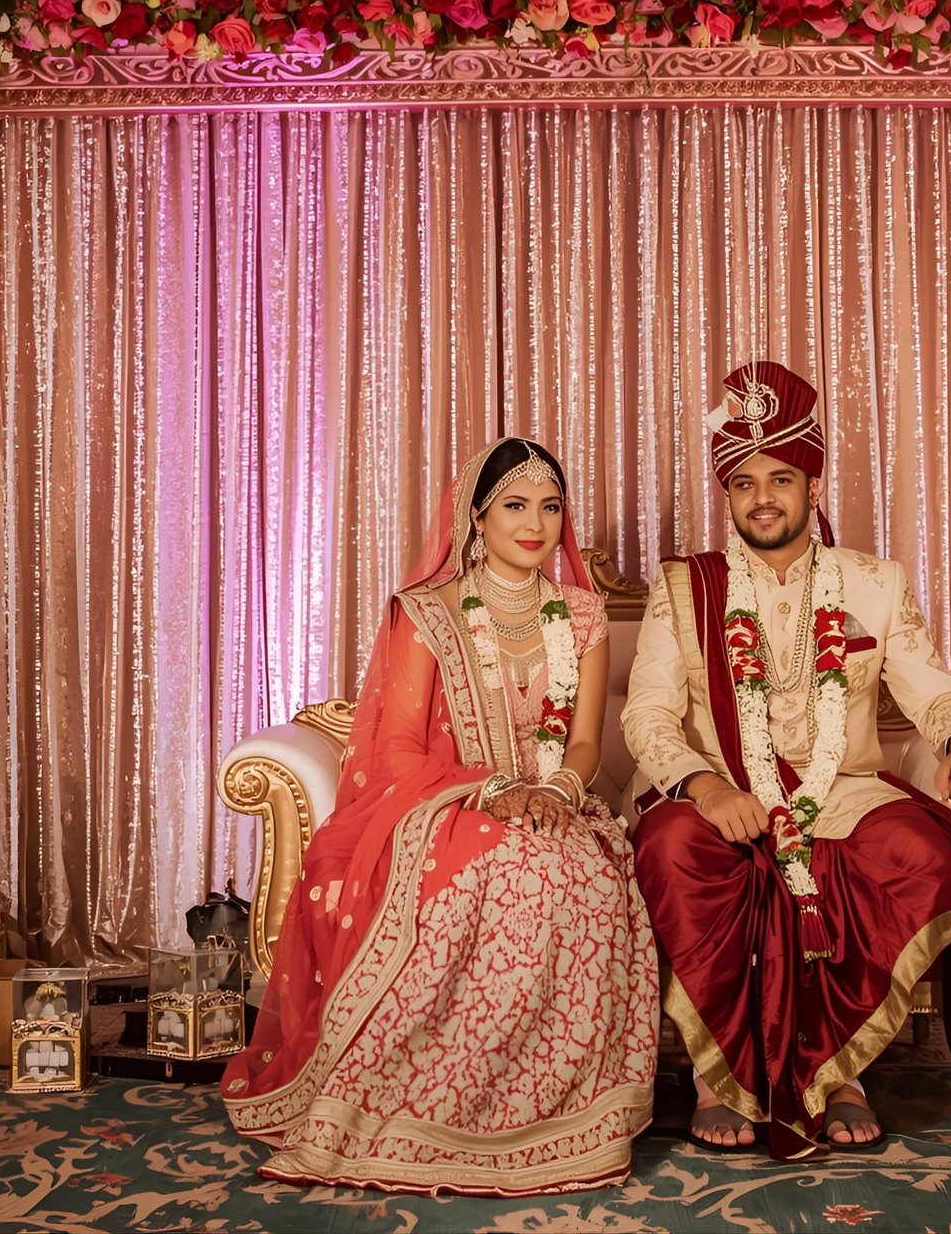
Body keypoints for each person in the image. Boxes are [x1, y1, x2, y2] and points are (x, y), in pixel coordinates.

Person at [223, 438, 659, 1194]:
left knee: (583, 875)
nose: (535, 524)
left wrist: (557, 791)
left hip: (555, 797)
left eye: (550, 507)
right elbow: (395, 748)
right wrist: (490, 792)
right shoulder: (429, 612)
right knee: (507, 870)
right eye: (515, 506)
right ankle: (430, 1105)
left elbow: (585, 740)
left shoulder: (583, 615)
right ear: (477, 517)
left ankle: (557, 1111)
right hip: (445, 799)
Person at [622, 360, 951, 1158]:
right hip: (716, 789)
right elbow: (649, 715)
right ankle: (718, 1078)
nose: (762, 497)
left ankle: (841, 1071)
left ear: (812, 485)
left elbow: (932, 689)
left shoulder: (874, 583)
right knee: (670, 849)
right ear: (727, 495)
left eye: (781, 478)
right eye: (743, 483)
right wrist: (701, 783)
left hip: (844, 788)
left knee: (924, 852)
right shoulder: (681, 587)